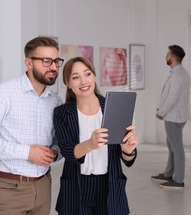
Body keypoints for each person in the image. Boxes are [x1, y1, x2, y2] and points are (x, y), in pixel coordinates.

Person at [0, 36, 64, 214]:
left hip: (43, 186)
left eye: (56, 61)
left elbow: (57, 142)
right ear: (28, 63)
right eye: (46, 61)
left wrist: (55, 153)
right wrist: (27, 152)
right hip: (8, 190)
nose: (53, 67)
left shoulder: (55, 101)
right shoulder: (3, 93)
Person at [53, 57, 138, 215]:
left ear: (94, 76)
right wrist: (90, 144)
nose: (83, 81)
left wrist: (128, 150)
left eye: (87, 74)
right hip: (76, 188)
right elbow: (66, 151)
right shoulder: (62, 113)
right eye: (75, 77)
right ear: (67, 83)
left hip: (109, 186)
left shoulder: (114, 108)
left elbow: (128, 159)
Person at [151, 45, 191, 190]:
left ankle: (178, 180)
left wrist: (161, 112)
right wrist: (162, 109)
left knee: (177, 148)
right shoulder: (181, 73)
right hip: (176, 115)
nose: (166, 56)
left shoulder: (179, 75)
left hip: (174, 117)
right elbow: (174, 97)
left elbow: (172, 99)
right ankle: (169, 173)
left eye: (168, 54)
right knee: (172, 146)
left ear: (173, 58)